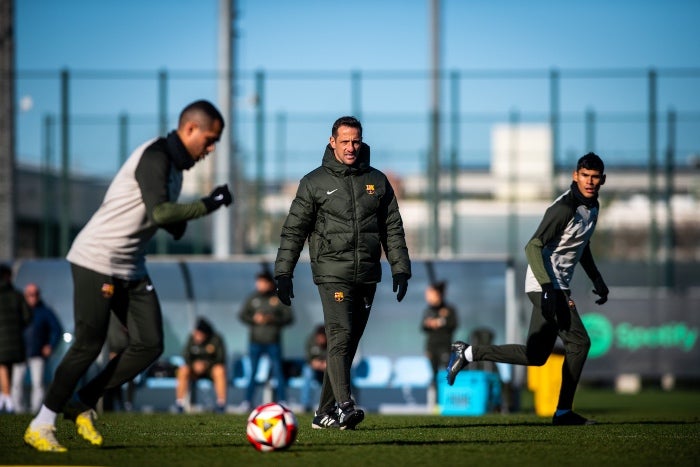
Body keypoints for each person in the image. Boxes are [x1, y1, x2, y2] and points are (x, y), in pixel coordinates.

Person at [24, 100, 232, 452]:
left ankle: (83, 401)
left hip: (131, 265)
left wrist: (179, 223)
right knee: (89, 344)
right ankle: (41, 423)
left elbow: (163, 217)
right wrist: (209, 203)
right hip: (97, 259)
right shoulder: (155, 156)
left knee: (150, 343)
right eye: (209, 139)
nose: (211, 149)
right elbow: (162, 211)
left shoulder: (176, 172)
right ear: (190, 129)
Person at [446, 152, 610, 426]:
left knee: (536, 356)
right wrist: (548, 288)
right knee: (580, 343)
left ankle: (469, 353)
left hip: (551, 286)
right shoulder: (564, 208)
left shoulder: (593, 207)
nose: (590, 182)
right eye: (585, 176)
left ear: (602, 179)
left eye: (595, 177)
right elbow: (532, 245)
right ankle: (563, 412)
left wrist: (597, 280)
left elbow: (582, 246)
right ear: (575, 176)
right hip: (546, 284)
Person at [274, 116, 411, 430]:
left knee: (347, 344)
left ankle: (324, 413)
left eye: (356, 141)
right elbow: (294, 231)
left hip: (367, 274)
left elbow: (393, 228)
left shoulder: (377, 180)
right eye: (345, 141)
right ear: (332, 141)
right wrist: (284, 272)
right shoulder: (314, 182)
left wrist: (400, 268)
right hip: (331, 272)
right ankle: (346, 406)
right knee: (340, 336)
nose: (351, 147)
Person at [238, 270, 293, 409]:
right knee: (253, 373)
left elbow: (289, 318)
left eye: (262, 282)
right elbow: (242, 315)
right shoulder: (253, 298)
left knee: (278, 372)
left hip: (273, 342)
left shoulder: (277, 298)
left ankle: (283, 401)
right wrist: (254, 318)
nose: (259, 285)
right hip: (255, 342)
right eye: (258, 282)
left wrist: (272, 318)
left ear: (269, 283)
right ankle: (247, 401)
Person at [11, 283, 63, 414]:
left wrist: (50, 345)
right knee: (16, 383)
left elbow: (57, 329)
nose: (32, 297)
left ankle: (35, 410)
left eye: (35, 294)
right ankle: (18, 410)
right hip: (20, 352)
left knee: (38, 383)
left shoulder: (45, 311)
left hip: (38, 353)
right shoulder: (17, 310)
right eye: (29, 294)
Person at [175, 317, 227, 413]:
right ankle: (180, 404)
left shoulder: (216, 339)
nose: (197, 336)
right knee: (183, 370)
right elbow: (185, 356)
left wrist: (206, 365)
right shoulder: (191, 338)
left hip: (210, 370)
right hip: (194, 371)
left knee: (220, 370)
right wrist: (194, 365)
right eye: (196, 333)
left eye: (200, 334)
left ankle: (221, 404)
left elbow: (221, 358)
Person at [0, 264, 31, 414]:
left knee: (3, 366)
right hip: (14, 339)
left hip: (3, 340)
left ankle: (6, 398)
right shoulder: (17, 295)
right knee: (8, 366)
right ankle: (7, 398)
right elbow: (27, 316)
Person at [421, 281, 458, 387]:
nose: (427, 297)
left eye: (430, 294)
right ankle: (437, 402)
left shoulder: (449, 309)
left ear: (438, 294)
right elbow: (423, 328)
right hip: (432, 348)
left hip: (444, 347)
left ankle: (447, 398)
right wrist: (429, 324)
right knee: (434, 376)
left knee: (448, 374)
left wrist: (440, 322)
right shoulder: (428, 310)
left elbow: (453, 324)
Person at [102, 313, 135, 412]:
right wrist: (111, 349)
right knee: (113, 377)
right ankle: (114, 404)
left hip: (125, 347)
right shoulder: (110, 312)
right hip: (114, 348)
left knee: (127, 376)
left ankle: (126, 403)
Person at [301, 324, 328, 413]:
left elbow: (334, 357)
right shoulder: (310, 340)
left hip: (326, 367)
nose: (320, 340)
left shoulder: (331, 342)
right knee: (307, 372)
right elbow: (307, 357)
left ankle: (329, 405)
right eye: (319, 338)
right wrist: (312, 362)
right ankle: (306, 405)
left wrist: (327, 363)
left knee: (334, 374)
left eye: (322, 338)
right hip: (313, 366)